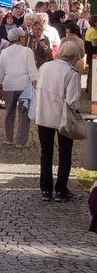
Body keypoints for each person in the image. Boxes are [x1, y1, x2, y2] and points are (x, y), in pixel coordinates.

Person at [34, 39, 84, 203]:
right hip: (63, 117)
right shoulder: (71, 73)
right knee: (64, 153)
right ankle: (61, 189)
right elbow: (72, 100)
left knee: (46, 153)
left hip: (43, 114)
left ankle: (46, 189)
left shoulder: (45, 67)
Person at [0, 28, 38, 148]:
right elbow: (32, 70)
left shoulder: (4, 52)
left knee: (9, 112)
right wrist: (35, 84)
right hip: (24, 85)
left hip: (9, 84)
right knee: (24, 113)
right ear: (20, 38)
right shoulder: (27, 51)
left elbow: (0, 70)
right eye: (23, 37)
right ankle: (21, 141)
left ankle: (9, 138)